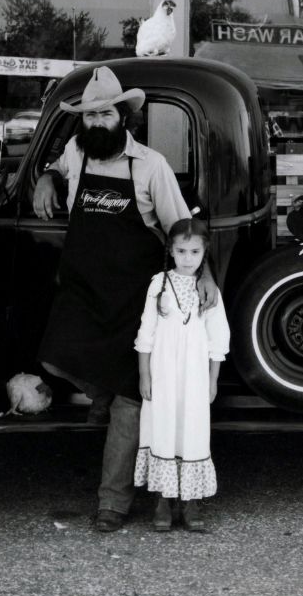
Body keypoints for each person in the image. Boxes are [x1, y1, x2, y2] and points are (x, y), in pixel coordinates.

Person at [31, 65, 190, 532]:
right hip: (82, 292)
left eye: (105, 115)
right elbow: (56, 165)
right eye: (89, 116)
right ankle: (96, 392)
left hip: (133, 301)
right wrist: (45, 176)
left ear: (123, 116)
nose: (96, 122)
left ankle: (112, 503)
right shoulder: (77, 152)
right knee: (55, 358)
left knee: (127, 399)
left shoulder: (151, 166)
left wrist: (194, 282)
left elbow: (180, 228)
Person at [134, 218, 229, 532]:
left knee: (192, 431)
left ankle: (189, 503)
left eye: (194, 251)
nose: (188, 258)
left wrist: (213, 380)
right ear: (171, 251)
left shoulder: (209, 291)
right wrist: (144, 375)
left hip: (194, 376)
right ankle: (162, 501)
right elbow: (146, 334)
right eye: (181, 251)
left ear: (204, 253)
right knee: (162, 429)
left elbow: (218, 340)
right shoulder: (158, 284)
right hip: (162, 373)